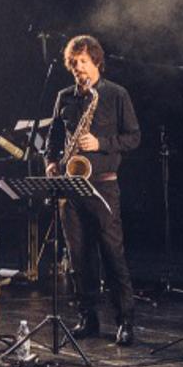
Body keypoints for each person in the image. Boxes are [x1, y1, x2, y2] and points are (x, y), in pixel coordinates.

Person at [46, 35, 140, 346]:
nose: (79, 69)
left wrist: (101, 143)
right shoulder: (64, 97)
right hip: (71, 187)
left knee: (112, 253)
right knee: (79, 257)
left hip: (103, 185)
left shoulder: (116, 94)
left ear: (96, 61)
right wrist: (51, 163)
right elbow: (53, 138)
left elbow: (134, 137)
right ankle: (88, 317)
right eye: (74, 64)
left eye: (83, 62)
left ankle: (125, 320)